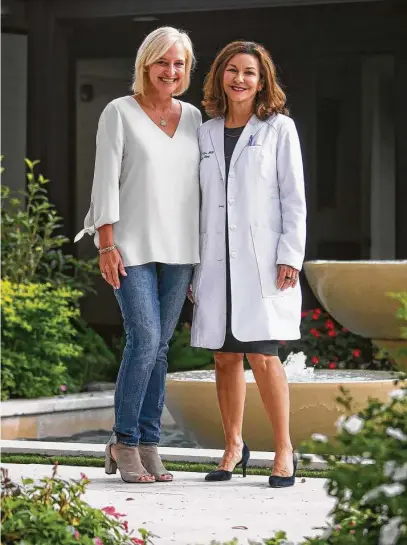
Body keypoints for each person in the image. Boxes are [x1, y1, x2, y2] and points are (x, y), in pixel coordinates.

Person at [75, 27, 201, 483]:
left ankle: (149, 443)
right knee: (145, 338)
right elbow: (105, 181)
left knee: (161, 349)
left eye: (179, 64)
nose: (171, 71)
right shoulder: (119, 112)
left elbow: (199, 190)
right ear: (146, 64)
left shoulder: (192, 117)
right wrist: (106, 244)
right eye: (163, 62)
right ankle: (123, 441)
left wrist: (202, 260)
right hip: (131, 246)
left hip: (181, 248)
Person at [190, 41, 306, 487]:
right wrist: (196, 267)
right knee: (224, 356)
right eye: (232, 70)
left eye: (250, 73)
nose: (240, 79)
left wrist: (290, 256)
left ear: (263, 81)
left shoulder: (279, 129)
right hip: (217, 263)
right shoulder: (205, 132)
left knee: (262, 355)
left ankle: (284, 450)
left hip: (263, 262)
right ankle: (233, 446)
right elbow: (199, 204)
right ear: (220, 75)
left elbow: (294, 199)